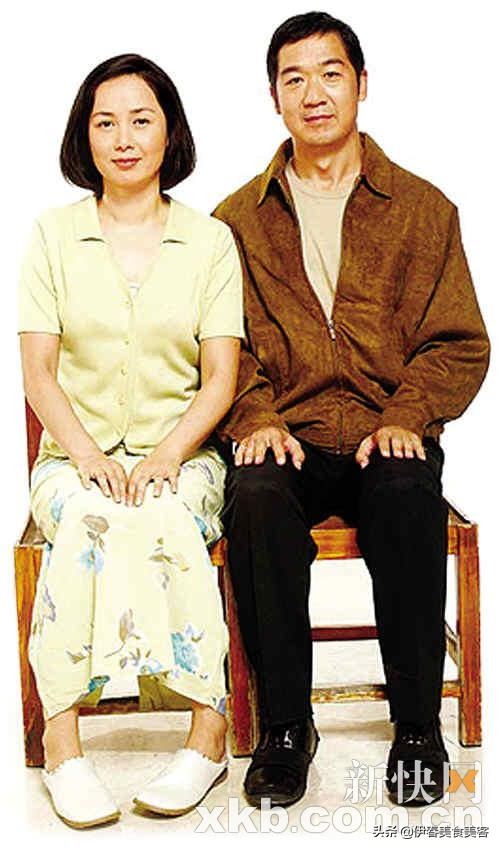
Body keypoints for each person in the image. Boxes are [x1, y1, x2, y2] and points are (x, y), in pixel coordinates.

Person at [213, 12, 490, 809]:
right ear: (273, 97)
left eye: (330, 73)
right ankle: (285, 729)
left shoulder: (424, 210)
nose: (314, 93)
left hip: (385, 430)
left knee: (406, 491)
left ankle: (417, 727)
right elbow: (221, 347)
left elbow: (459, 340)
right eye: (294, 78)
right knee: (255, 497)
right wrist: (256, 417)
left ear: (362, 85)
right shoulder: (235, 221)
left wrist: (408, 413)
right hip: (289, 435)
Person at [18, 53, 243, 828]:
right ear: (84, 136)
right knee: (87, 518)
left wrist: (167, 454)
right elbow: (38, 373)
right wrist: (85, 455)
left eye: (141, 119)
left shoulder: (210, 242)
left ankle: (207, 734)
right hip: (70, 457)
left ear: (169, 132)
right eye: (105, 122)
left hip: (182, 453)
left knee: (168, 514)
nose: (123, 138)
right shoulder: (53, 236)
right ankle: (62, 744)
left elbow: (220, 378)